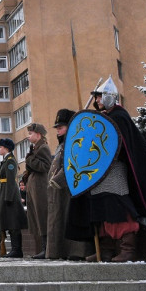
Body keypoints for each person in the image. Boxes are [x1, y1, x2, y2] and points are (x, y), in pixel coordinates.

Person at [77, 76, 146, 262]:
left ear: (110, 96)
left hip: (115, 171)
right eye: (96, 97)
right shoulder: (106, 118)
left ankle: (128, 249)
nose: (97, 101)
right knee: (103, 209)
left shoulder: (119, 116)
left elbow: (117, 146)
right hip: (101, 172)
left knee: (119, 207)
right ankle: (107, 248)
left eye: (100, 97)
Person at [46, 109, 93, 260]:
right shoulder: (63, 144)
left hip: (71, 189)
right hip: (59, 191)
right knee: (59, 221)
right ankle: (59, 251)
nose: (58, 130)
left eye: (61, 127)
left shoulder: (76, 141)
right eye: (57, 128)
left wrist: (57, 180)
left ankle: (76, 252)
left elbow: (73, 164)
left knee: (71, 219)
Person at [0, 138, 28, 258]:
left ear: (6, 148)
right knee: (9, 222)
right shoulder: (6, 161)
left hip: (10, 193)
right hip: (5, 191)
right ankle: (14, 249)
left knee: (13, 222)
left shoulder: (10, 162)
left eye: (0, 147)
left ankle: (17, 249)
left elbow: (10, 180)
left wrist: (8, 197)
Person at [25, 123, 52, 259]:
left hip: (41, 187)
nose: (28, 136)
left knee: (42, 217)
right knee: (37, 217)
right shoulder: (36, 148)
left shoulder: (43, 148)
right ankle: (43, 248)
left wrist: (30, 160)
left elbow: (46, 166)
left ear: (38, 134)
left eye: (31, 133)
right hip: (35, 187)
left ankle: (46, 248)